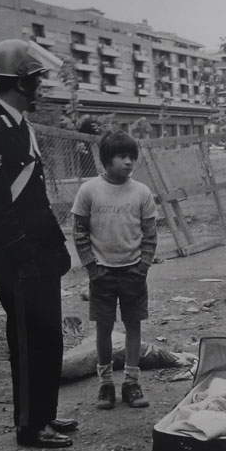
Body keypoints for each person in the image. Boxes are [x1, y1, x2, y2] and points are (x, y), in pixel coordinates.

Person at [0, 39, 75, 449]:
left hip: (37, 254)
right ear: (19, 83)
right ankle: (30, 427)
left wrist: (53, 249)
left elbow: (33, 198)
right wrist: (25, 255)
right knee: (28, 344)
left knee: (49, 337)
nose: (42, 86)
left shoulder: (18, 124)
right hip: (17, 258)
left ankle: (45, 414)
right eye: (37, 79)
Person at [71, 130, 158, 409]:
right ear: (106, 160)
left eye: (132, 156)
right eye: (122, 157)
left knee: (133, 326)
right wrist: (91, 267)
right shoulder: (89, 190)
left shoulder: (142, 192)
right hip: (102, 274)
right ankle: (105, 384)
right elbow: (79, 231)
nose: (129, 162)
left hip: (133, 271)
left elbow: (150, 234)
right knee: (104, 329)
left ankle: (131, 382)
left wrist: (143, 265)